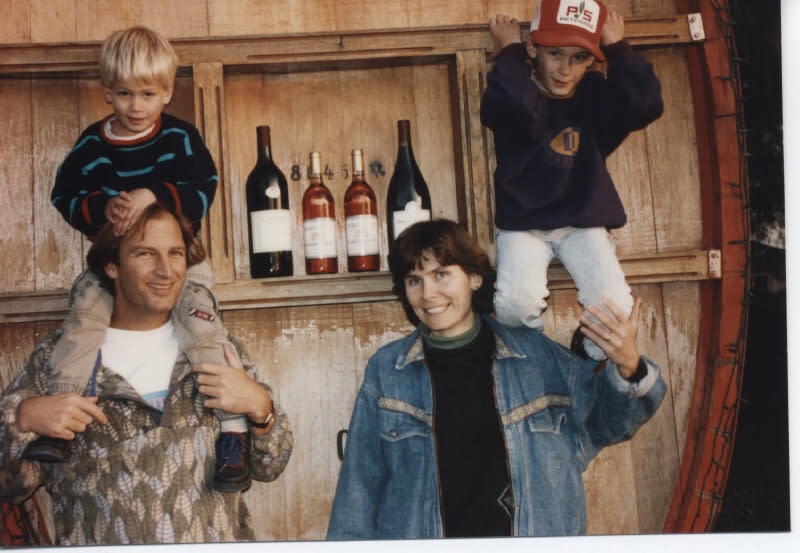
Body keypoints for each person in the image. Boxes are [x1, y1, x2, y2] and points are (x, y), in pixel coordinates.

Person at [327, 219, 665, 539]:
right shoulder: (388, 371)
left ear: (474, 278)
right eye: (414, 280)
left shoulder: (535, 356)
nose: (427, 293)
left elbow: (610, 424)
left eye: (441, 274)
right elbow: (358, 493)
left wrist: (628, 366)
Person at [35, 26, 251, 493]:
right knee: (83, 322)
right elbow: (65, 195)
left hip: (181, 265)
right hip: (109, 266)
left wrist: (155, 193)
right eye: (124, 94)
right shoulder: (92, 146)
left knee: (205, 332)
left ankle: (233, 432)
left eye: (149, 94)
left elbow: (202, 188)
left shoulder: (180, 139)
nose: (136, 106)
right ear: (106, 92)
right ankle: (62, 419)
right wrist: (102, 208)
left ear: (168, 92)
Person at [0, 204, 293, 545]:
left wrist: (262, 409)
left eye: (176, 254)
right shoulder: (58, 358)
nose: (165, 270)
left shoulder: (220, 350)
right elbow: (10, 487)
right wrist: (22, 419)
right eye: (145, 254)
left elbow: (270, 466)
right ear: (112, 264)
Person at [480, 0, 664, 360]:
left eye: (580, 57)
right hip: (523, 225)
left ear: (593, 61)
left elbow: (645, 104)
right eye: (555, 53)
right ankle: (533, 364)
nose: (565, 68)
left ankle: (588, 358)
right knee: (516, 304)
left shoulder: (595, 95)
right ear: (534, 48)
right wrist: (510, 52)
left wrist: (618, 48)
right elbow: (519, 110)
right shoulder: (515, 92)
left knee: (617, 311)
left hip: (583, 223)